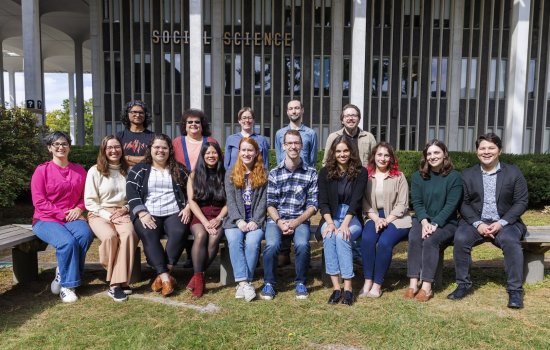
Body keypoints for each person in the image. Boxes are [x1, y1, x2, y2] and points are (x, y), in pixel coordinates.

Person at [448, 133, 528, 309]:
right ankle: (463, 284)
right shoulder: (468, 174)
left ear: (499, 150)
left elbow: (521, 201)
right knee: (460, 239)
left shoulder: (513, 172)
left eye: (491, 148)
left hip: (506, 222)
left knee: (510, 241)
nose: (486, 152)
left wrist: (502, 223)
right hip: (476, 221)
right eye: (482, 148)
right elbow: (463, 203)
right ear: (477, 151)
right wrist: (479, 224)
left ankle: (515, 290)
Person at [31, 131, 94, 303]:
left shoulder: (80, 170)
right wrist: (63, 215)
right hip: (46, 219)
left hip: (73, 217)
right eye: (56, 144)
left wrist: (80, 208)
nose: (61, 147)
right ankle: (68, 286)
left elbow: (85, 197)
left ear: (69, 147)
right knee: (67, 242)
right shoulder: (41, 171)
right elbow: (39, 201)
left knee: (85, 235)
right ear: (49, 148)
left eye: (64, 144)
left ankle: (62, 271)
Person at [126, 134, 191, 297]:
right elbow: (131, 192)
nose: (160, 150)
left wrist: (188, 206)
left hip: (174, 211)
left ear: (170, 150)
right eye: (157, 147)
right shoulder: (139, 169)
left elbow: (192, 191)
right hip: (148, 212)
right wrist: (141, 212)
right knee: (149, 234)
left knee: (180, 231)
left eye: (164, 147)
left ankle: (163, 274)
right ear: (150, 149)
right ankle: (166, 278)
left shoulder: (179, 169)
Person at [260, 130, 318, 300]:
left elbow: (313, 205)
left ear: (301, 145)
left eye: (296, 143)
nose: (293, 146)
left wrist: (295, 222)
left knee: (302, 245)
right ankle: (269, 283)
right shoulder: (274, 173)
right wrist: (279, 222)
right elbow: (270, 203)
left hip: (300, 220)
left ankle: (300, 282)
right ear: (283, 146)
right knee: (271, 246)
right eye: (289, 143)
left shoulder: (311, 173)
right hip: (276, 220)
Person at [405, 140, 462, 302]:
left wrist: (435, 223)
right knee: (415, 237)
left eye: (436, 152)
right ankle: (413, 283)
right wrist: (424, 222)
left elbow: (452, 205)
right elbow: (417, 202)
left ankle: (427, 286)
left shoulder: (454, 177)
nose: (432, 156)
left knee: (430, 240)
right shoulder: (418, 176)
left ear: (445, 154)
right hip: (422, 219)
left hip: (446, 222)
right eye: (429, 153)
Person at [84, 135, 138, 302]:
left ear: (122, 150)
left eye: (117, 147)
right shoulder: (95, 171)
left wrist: (126, 209)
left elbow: (135, 197)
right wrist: (108, 215)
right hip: (99, 213)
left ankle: (115, 285)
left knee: (130, 234)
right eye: (109, 148)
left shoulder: (129, 170)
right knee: (110, 237)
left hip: (122, 212)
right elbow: (90, 201)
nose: (114, 150)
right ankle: (117, 276)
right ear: (104, 151)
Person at [318, 135, 368, 306]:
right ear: (333, 153)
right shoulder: (325, 172)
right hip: (331, 216)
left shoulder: (361, 172)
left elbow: (356, 201)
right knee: (330, 236)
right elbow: (323, 202)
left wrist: (345, 225)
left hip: (351, 216)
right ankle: (336, 288)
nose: (342, 154)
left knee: (342, 237)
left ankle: (348, 288)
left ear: (351, 152)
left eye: (345, 150)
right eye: (338, 151)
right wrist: (330, 223)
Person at [360, 142, 411, 298]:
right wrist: (376, 219)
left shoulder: (399, 176)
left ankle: (377, 284)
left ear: (391, 158)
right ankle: (367, 281)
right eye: (379, 154)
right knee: (368, 239)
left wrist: (386, 220)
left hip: (396, 218)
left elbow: (403, 204)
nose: (382, 158)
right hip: (374, 216)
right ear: (374, 156)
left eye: (386, 155)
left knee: (384, 242)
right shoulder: (367, 176)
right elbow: (364, 201)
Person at [223, 138, 268, 302]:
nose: (247, 153)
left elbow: (264, 200)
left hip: (256, 220)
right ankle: (244, 282)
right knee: (235, 241)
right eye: (243, 150)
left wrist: (256, 220)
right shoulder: (231, 173)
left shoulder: (264, 173)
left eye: (250, 150)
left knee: (253, 242)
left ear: (256, 153)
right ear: (239, 152)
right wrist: (238, 220)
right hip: (234, 221)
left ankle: (243, 283)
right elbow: (231, 200)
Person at [172, 108, 218, 268]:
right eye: (189, 122)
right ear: (184, 125)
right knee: (184, 219)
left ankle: (197, 260)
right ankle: (191, 256)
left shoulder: (210, 141)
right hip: (181, 188)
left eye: (197, 122)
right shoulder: (177, 142)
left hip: (205, 189)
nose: (193, 125)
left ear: (202, 124)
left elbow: (217, 164)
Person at [274, 100, 318, 266]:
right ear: (287, 112)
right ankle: (285, 252)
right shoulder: (279, 133)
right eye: (291, 108)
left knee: (301, 213)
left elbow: (312, 159)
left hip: (304, 179)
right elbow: (279, 156)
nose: (294, 111)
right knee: (283, 210)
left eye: (297, 108)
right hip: (285, 178)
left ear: (302, 110)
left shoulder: (311, 133)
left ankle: (302, 254)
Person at [186, 142, 228, 299]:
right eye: (208, 153)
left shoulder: (225, 174)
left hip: (219, 215)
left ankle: (198, 277)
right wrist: (204, 222)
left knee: (214, 237)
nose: (211, 156)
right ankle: (199, 278)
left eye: (214, 153)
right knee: (201, 236)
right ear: (203, 156)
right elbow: (192, 202)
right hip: (200, 216)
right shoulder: (194, 175)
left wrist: (219, 218)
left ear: (219, 155)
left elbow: (228, 202)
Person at [116, 100, 154, 167]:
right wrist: (143, 160)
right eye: (134, 112)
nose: (138, 115)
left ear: (145, 115)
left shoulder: (153, 137)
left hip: (146, 174)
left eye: (141, 112)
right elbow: (116, 158)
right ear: (127, 114)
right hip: (124, 175)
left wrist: (127, 158)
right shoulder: (119, 136)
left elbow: (153, 159)